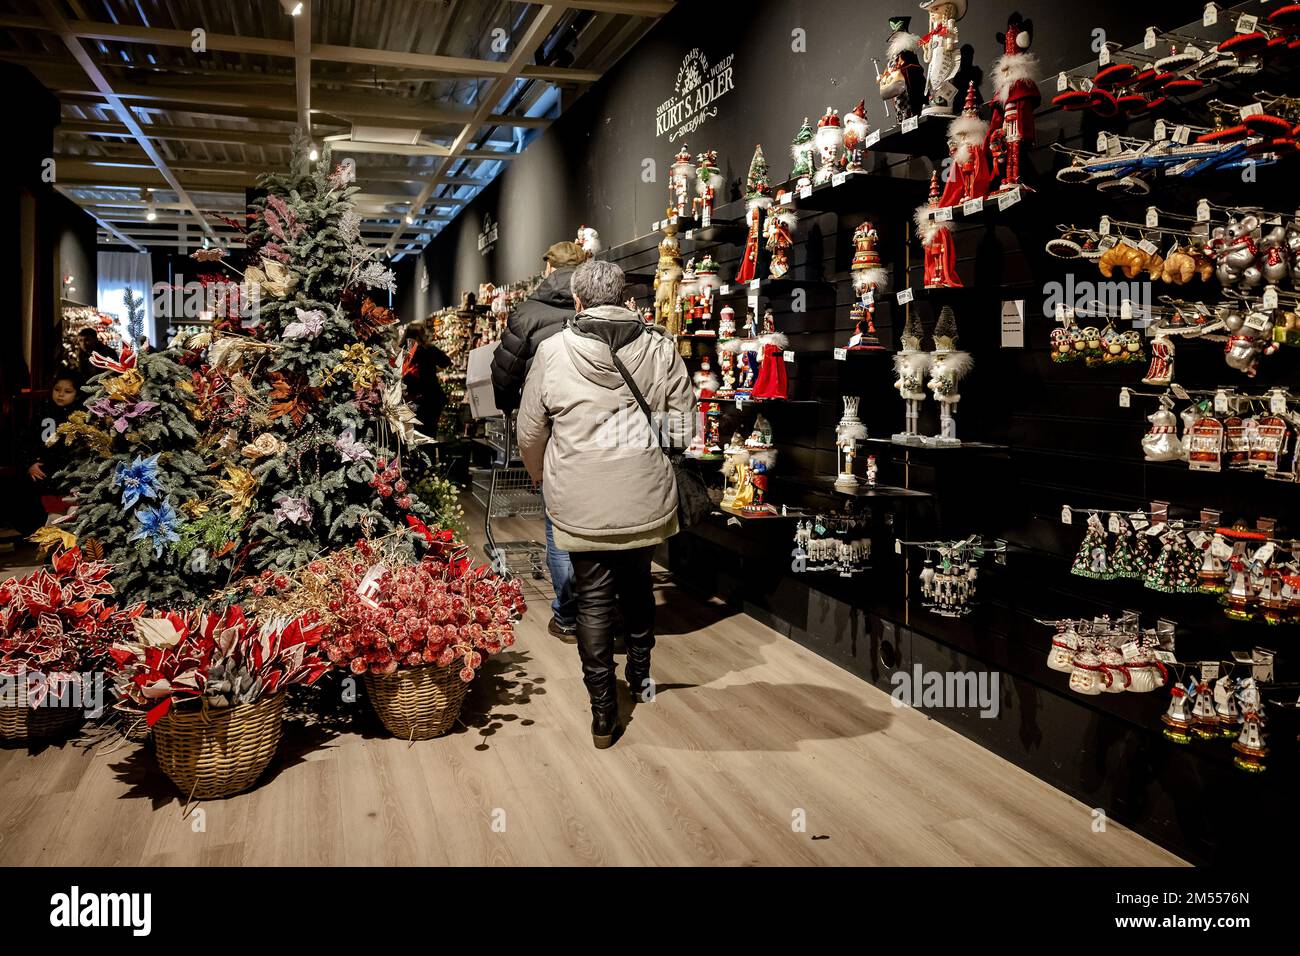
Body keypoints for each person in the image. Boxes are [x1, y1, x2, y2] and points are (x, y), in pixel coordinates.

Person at [517, 259, 694, 749]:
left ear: (577, 302)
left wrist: (542, 476)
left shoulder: (552, 352)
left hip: (579, 499)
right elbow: (684, 427)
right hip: (644, 496)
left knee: (593, 599)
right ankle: (641, 679)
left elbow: (531, 431)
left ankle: (602, 714)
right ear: (625, 297)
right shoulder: (661, 348)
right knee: (638, 585)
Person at [490, 240, 589, 642]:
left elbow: (505, 371)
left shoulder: (528, 312)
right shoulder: (595, 309)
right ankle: (600, 610)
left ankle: (567, 615)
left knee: (558, 525)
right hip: (599, 428)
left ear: (548, 267)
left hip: (550, 428)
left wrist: (509, 406)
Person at [20, 369, 81, 531]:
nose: (61, 395)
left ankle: (72, 549)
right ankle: (53, 549)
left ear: (76, 393)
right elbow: (27, 441)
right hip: (49, 474)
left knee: (74, 513)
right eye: (57, 390)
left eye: (67, 391)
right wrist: (30, 463)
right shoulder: (43, 412)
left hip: (74, 473)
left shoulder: (80, 416)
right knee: (54, 516)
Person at [401, 324, 451, 438]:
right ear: (421, 335)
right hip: (430, 399)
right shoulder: (429, 349)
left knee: (410, 434)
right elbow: (446, 361)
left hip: (408, 398)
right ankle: (429, 454)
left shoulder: (401, 350)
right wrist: (433, 370)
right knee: (429, 434)